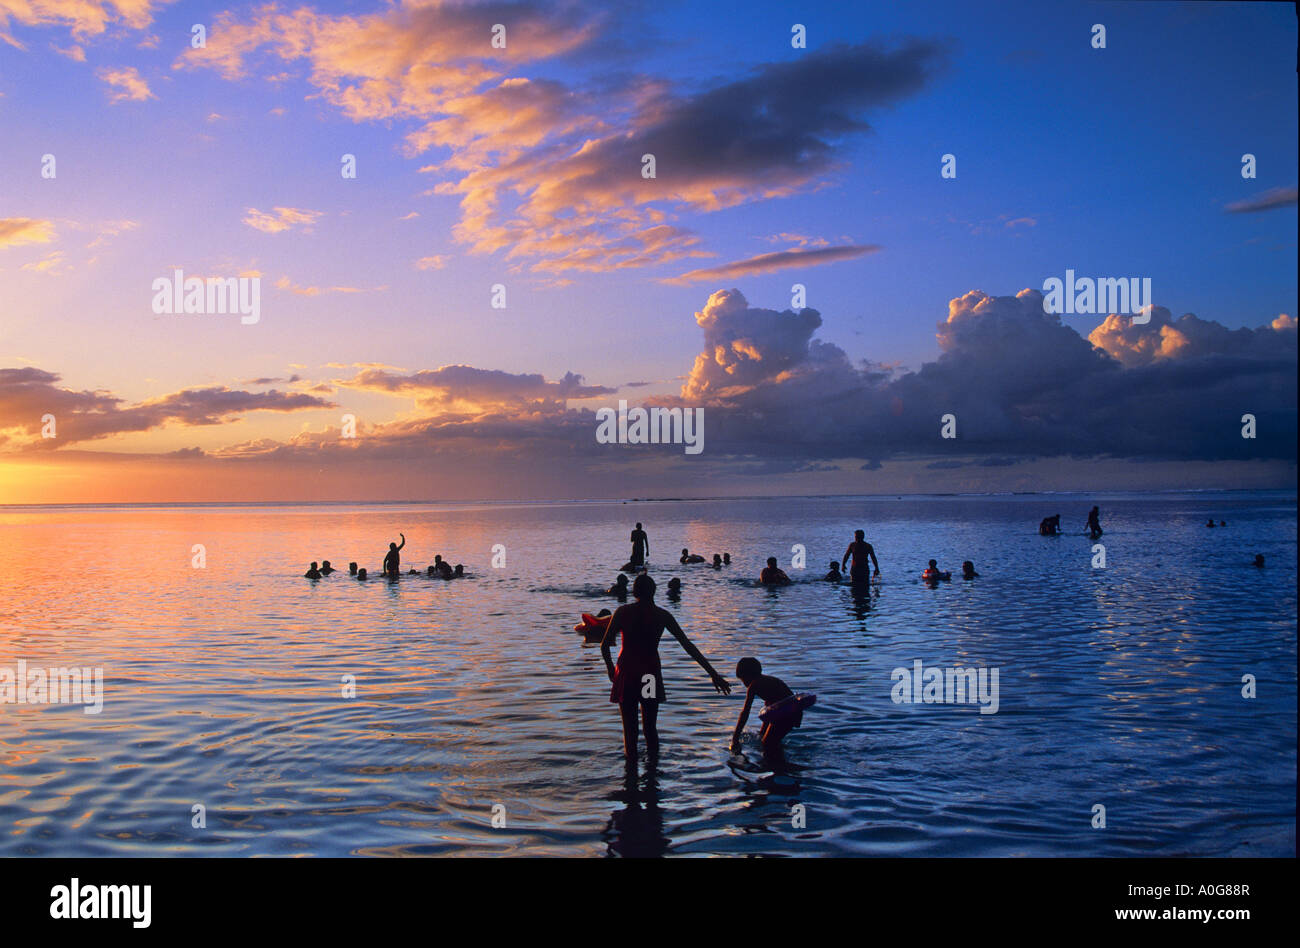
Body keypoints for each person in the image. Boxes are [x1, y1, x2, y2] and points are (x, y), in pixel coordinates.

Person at [600, 574, 730, 760]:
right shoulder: (662, 615)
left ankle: (631, 777)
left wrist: (610, 669)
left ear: (634, 591)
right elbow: (687, 645)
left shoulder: (622, 612)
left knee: (630, 731)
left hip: (626, 673)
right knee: (650, 728)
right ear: (654, 591)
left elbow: (604, 645)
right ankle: (653, 774)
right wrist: (713, 673)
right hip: (649, 675)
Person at [729, 657, 815, 756]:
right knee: (768, 741)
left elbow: (745, 712)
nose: (744, 684)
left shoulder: (754, 685)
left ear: (747, 676)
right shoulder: (770, 681)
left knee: (767, 744)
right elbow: (773, 708)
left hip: (785, 715)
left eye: (742, 680)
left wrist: (735, 739)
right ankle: (778, 760)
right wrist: (762, 732)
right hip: (792, 713)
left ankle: (779, 767)